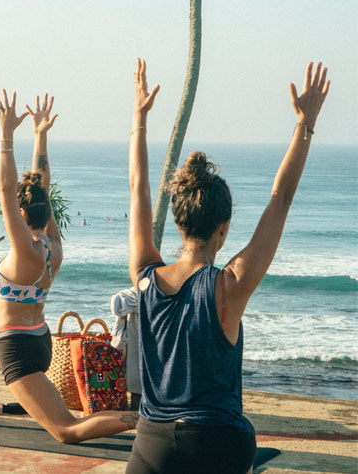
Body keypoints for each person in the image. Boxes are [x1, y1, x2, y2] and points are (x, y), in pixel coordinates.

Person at [126, 59, 330, 473]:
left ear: (179, 223)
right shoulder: (229, 286)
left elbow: (138, 189)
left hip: (153, 444)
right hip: (216, 444)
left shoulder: (145, 276)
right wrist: (304, 125)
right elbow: (280, 199)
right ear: (224, 228)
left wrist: (140, 118)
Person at [0, 91, 138, 443]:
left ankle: (138, 419)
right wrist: (40, 135)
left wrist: (7, 135)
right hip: (34, 338)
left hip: (16, 351)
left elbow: (5, 186)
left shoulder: (24, 251)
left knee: (65, 431)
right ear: (46, 210)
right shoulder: (53, 246)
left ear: (21, 214)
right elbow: (41, 185)